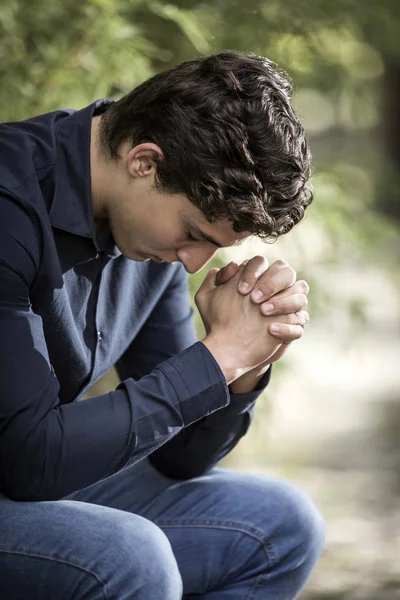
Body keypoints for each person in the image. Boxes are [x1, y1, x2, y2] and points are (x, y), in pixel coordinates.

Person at [0, 51, 324, 599]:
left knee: (281, 525)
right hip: (21, 470)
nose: (195, 263)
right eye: (194, 232)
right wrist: (218, 358)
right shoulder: (9, 209)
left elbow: (180, 457)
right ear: (144, 161)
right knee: (130, 555)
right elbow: (29, 459)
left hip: (25, 482)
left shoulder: (148, 236)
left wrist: (246, 365)